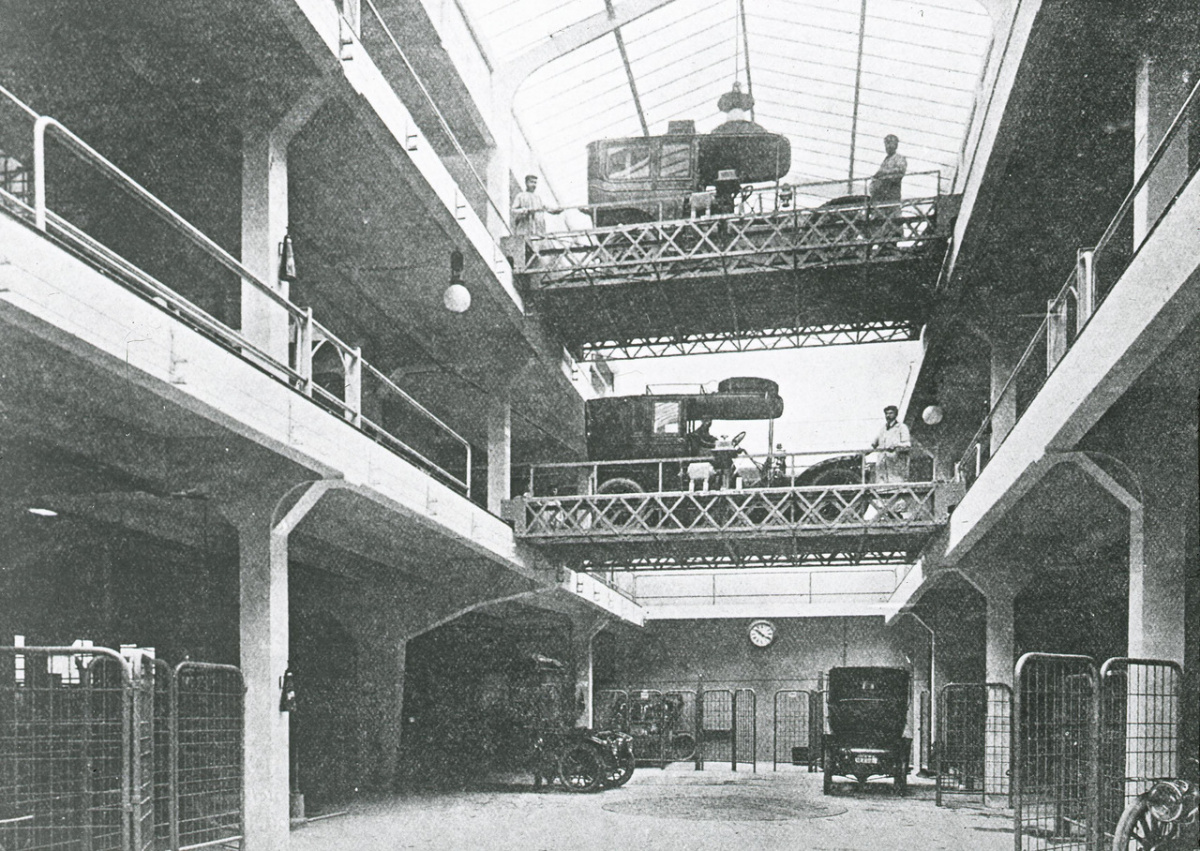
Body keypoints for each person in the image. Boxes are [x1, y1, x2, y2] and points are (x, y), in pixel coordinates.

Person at [510, 174, 562, 238]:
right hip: (525, 230)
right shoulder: (520, 196)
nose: (534, 185)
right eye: (531, 182)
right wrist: (523, 210)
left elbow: (545, 208)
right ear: (526, 183)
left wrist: (556, 211)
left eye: (535, 183)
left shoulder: (537, 198)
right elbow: (513, 210)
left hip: (537, 231)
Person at [871, 405, 911, 483]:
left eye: (891, 413)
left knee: (897, 486)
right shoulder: (883, 429)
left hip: (895, 466)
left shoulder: (902, 427)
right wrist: (861, 454)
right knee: (882, 487)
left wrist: (896, 445)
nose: (888, 415)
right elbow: (873, 445)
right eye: (886, 414)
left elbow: (907, 445)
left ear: (896, 414)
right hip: (882, 466)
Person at [869, 135, 907, 203]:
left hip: (891, 193)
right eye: (886, 144)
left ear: (896, 145)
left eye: (890, 143)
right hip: (880, 195)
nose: (888, 146)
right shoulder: (886, 159)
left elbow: (900, 171)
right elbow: (879, 173)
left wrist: (884, 172)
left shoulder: (899, 158)